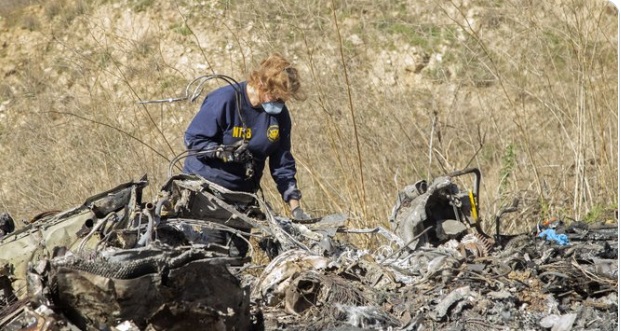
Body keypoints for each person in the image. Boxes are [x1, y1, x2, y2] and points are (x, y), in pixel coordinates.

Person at [182, 53, 311, 223]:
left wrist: (296, 208)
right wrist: (222, 152)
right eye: (276, 97)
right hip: (206, 190)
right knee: (212, 246)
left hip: (242, 196)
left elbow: (282, 164)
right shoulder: (224, 100)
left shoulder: (279, 116)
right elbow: (193, 139)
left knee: (237, 250)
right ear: (261, 84)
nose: (279, 104)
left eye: (283, 100)